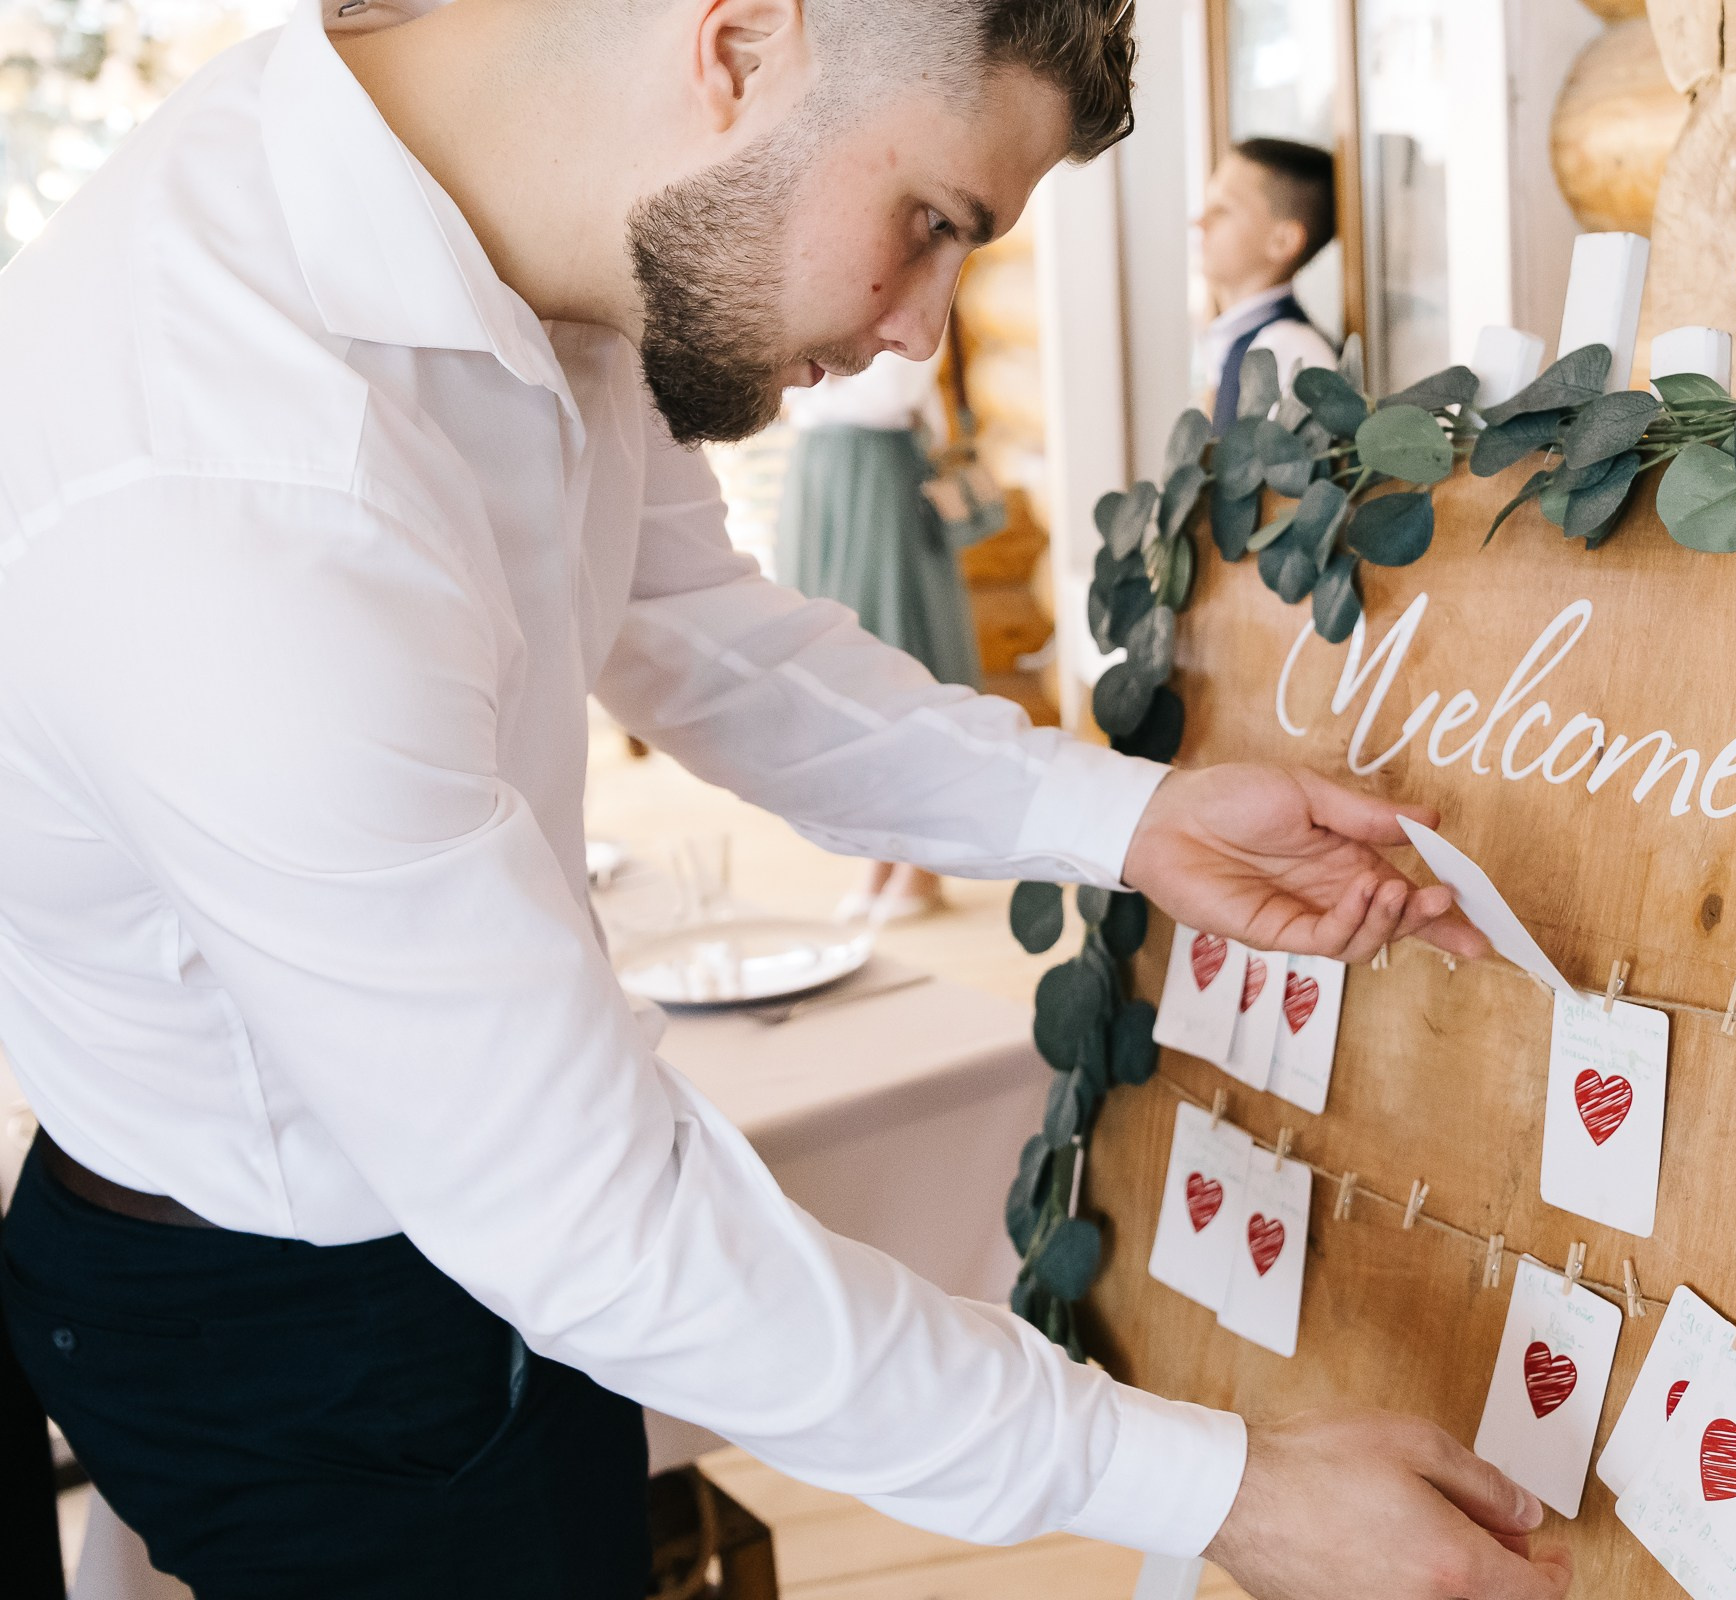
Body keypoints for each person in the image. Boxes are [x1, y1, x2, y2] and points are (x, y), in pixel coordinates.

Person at [0, 0, 1565, 1598]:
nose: (924, 333)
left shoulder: (537, 223)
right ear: (739, 50)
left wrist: (1129, 823)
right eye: (933, 223)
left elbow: (700, 636)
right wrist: (1225, 1491)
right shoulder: (235, 489)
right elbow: (596, 1225)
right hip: (286, 1316)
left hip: (474, 1256)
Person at [775, 349, 979, 923]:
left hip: (880, 474)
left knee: (901, 648)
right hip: (823, 473)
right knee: (840, 660)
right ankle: (881, 847)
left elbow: (890, 394)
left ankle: (924, 855)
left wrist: (819, 386)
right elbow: (778, 393)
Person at [1196, 136, 1340, 432]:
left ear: (1282, 240)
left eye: (1222, 210)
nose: (1200, 222)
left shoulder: (1292, 351)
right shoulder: (1231, 342)